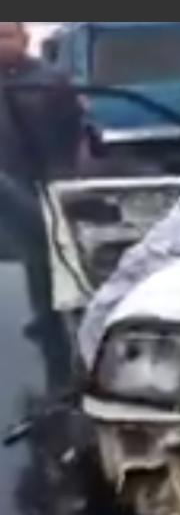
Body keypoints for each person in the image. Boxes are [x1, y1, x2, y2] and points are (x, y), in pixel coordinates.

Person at [0, 22, 83, 388]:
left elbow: (73, 131)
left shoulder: (51, 81)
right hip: (8, 183)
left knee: (48, 255)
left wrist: (64, 177)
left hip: (48, 182)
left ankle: (59, 339)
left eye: (5, 35)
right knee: (33, 254)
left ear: (24, 39)